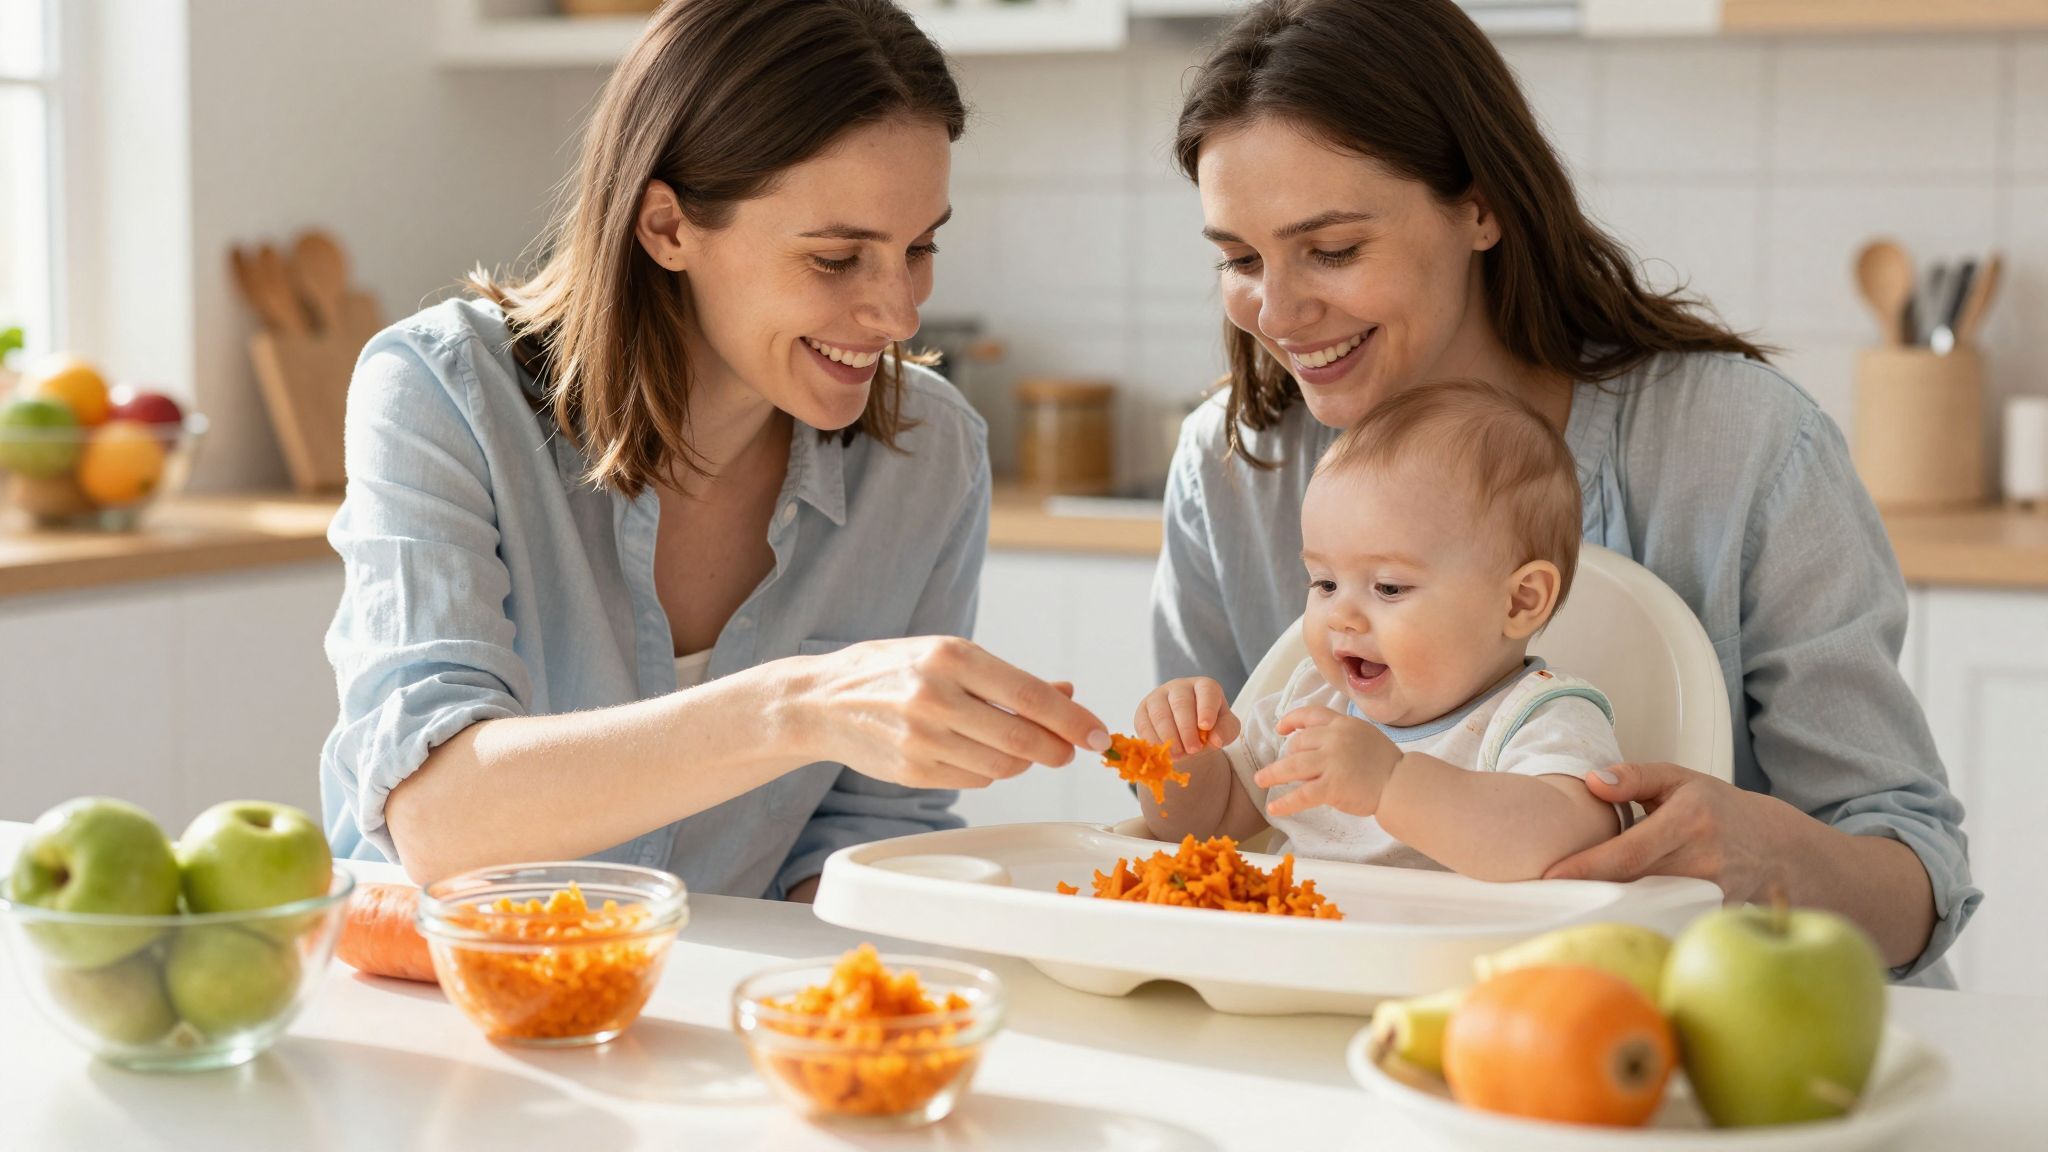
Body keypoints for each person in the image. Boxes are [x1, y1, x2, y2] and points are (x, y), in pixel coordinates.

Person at [1155, 0, 1977, 981]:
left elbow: (1917, 880)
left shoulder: (1736, 445)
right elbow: (1197, 845)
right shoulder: (1228, 464)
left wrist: (1767, 859)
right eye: (1240, 260)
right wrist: (1167, 758)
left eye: (1332, 250)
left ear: (1480, 205)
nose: (1277, 313)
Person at [319, 0, 1109, 896]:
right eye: (836, 258)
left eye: (918, 246)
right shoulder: (441, 393)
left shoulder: (930, 455)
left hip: (732, 1011)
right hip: (444, 1005)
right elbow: (438, 816)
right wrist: (801, 706)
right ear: (668, 227)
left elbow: (859, 841)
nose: (899, 314)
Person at [1139, 382, 1628, 881]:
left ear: (1520, 600)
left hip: (1451, 956)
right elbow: (1201, 827)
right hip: (1299, 945)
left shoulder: (1540, 717)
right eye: (1324, 582)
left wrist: (1392, 784)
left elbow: (1560, 844)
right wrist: (1177, 761)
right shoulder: (1308, 703)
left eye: (1389, 588)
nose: (1341, 616)